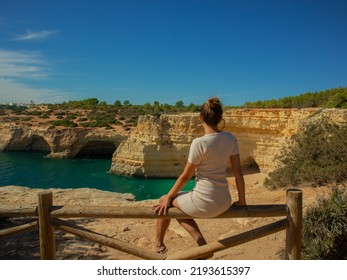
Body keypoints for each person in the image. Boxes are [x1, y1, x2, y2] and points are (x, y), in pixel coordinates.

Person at [153, 97, 246, 256]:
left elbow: (185, 176)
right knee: (175, 203)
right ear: (220, 118)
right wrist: (243, 201)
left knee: (164, 201)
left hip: (204, 202)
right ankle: (202, 247)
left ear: (201, 118)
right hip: (224, 201)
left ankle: (159, 244)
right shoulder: (230, 138)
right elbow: (238, 173)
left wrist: (169, 196)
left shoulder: (199, 143)